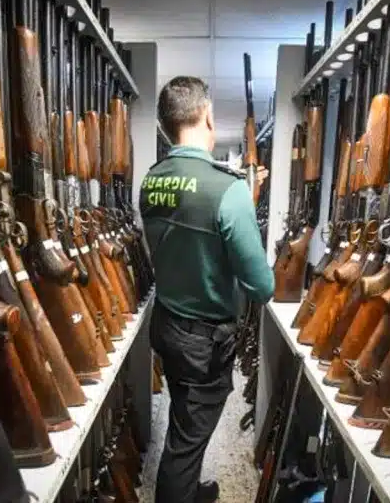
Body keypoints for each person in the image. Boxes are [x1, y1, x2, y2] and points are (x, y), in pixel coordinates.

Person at [139, 76, 274, 503]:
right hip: (203, 341)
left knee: (184, 417)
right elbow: (262, 285)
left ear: (164, 126)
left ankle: (192, 489)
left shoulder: (152, 181)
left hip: (168, 325)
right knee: (185, 443)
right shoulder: (227, 188)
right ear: (207, 116)